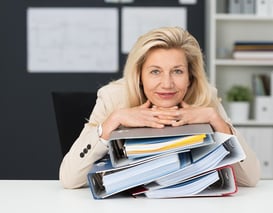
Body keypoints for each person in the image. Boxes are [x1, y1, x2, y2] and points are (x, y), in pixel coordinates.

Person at [59, 26, 260, 189]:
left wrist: (217, 121)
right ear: (139, 75)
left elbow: (250, 179)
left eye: (177, 71)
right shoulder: (113, 98)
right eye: (155, 71)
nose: (167, 84)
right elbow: (69, 179)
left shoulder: (204, 97)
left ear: (190, 77)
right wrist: (113, 121)